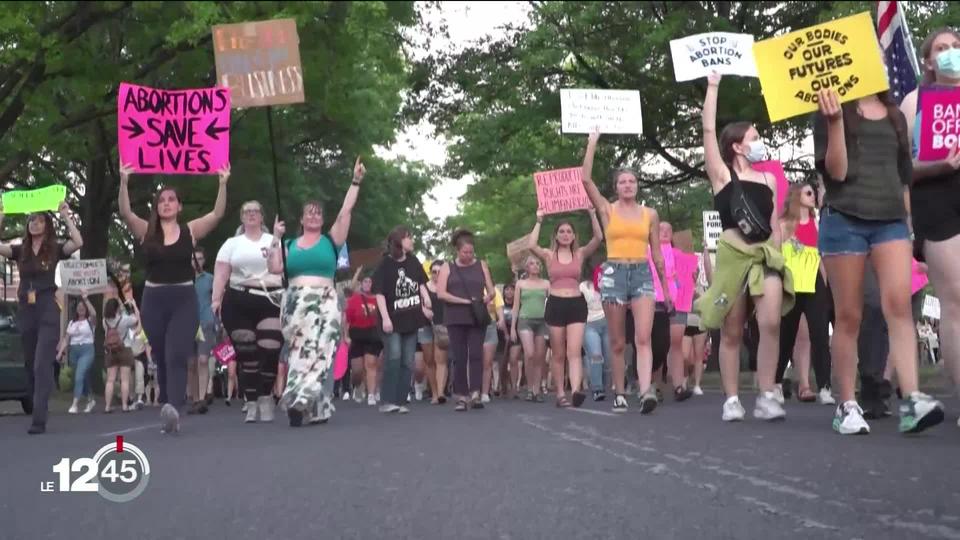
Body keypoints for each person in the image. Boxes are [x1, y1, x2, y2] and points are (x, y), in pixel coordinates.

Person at [815, 85, 943, 435]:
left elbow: (904, 179)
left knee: (899, 305)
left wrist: (911, 229)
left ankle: (913, 398)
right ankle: (846, 403)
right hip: (844, 219)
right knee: (849, 314)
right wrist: (835, 121)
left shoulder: (896, 116)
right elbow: (836, 173)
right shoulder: (828, 107)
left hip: (891, 223)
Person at [695, 72, 792, 423]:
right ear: (737, 145)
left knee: (769, 323)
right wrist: (713, 85)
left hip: (764, 257)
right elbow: (708, 131)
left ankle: (767, 394)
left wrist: (777, 255)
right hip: (733, 259)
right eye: (753, 137)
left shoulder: (768, 178)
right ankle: (732, 398)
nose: (759, 141)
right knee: (732, 330)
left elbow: (776, 221)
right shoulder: (721, 175)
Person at [118, 161, 229, 434]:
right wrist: (123, 182)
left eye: (171, 200)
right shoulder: (146, 231)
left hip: (183, 299)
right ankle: (168, 403)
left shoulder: (189, 231)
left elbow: (216, 214)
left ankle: (174, 407)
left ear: (179, 206)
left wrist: (223, 183)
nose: (166, 204)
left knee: (176, 352)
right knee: (160, 355)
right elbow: (125, 212)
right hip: (154, 300)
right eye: (162, 201)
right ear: (157, 207)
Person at [582, 130, 673, 414]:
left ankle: (646, 391)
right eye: (622, 181)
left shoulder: (651, 214)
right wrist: (592, 141)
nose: (628, 185)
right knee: (619, 340)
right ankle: (620, 391)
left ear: (638, 186)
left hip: (642, 273)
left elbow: (657, 254)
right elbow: (585, 179)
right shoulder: (607, 210)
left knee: (643, 338)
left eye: (632, 181)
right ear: (616, 187)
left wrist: (666, 290)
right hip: (614, 273)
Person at [268, 157, 364, 426]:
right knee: (299, 351)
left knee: (322, 350)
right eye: (308, 212)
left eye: (317, 213)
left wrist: (355, 181)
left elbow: (345, 211)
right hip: (295, 301)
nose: (313, 215)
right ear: (301, 218)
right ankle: (307, 403)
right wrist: (275, 237)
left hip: (324, 301)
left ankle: (302, 401)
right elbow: (275, 267)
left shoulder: (331, 241)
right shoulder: (289, 244)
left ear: (322, 219)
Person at [900, 28, 960, 429]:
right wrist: (942, 166)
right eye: (941, 48)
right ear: (927, 60)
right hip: (937, 203)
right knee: (955, 299)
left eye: (956, 47)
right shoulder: (912, 101)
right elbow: (902, 168)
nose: (951, 53)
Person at [0, 201, 83, 434]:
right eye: (31, 220)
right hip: (26, 308)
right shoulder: (21, 250)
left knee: (41, 362)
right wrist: (2, 216)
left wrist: (66, 215)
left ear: (46, 225)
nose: (34, 223)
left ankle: (39, 417)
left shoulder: (54, 248)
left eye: (39, 220)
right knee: (30, 365)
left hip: (47, 306)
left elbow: (78, 242)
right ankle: (39, 401)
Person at [211, 200, 283, 423]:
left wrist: (277, 239)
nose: (251, 214)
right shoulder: (232, 243)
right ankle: (251, 400)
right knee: (246, 353)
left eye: (256, 211)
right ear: (242, 218)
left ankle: (265, 396)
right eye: (247, 212)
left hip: (270, 298)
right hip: (238, 298)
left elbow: (282, 268)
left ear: (262, 217)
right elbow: (222, 273)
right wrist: (215, 300)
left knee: (270, 349)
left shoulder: (274, 240)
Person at [526, 208, 602, 407]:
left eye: (569, 231)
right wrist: (539, 220)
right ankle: (560, 393)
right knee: (558, 353)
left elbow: (598, 237)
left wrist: (593, 214)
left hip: (576, 304)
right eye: (562, 232)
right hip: (556, 304)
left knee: (574, 351)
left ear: (574, 235)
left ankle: (576, 390)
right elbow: (531, 244)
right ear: (556, 236)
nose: (566, 234)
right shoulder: (549, 255)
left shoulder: (580, 253)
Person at [777, 182, 834, 405]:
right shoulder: (783, 225)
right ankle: (775, 382)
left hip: (814, 283)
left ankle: (825, 386)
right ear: (796, 196)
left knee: (820, 334)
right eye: (809, 192)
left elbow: (821, 257)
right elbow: (776, 255)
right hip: (791, 284)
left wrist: (826, 284)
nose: (813, 196)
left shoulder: (818, 223)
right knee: (786, 336)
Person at [373, 226, 431, 414]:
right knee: (394, 356)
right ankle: (387, 400)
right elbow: (379, 293)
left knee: (408, 360)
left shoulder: (414, 261)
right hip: (392, 319)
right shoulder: (385, 264)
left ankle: (400, 400)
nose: (412, 241)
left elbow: (420, 282)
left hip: (411, 318)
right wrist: (386, 319)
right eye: (409, 238)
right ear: (400, 241)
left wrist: (426, 298)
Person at [437, 229, 496, 411]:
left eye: (471, 252)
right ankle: (461, 395)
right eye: (465, 253)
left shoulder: (481, 265)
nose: (468, 256)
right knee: (459, 356)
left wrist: (486, 298)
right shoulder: (448, 267)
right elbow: (441, 293)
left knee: (476, 354)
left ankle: (476, 392)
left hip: (476, 315)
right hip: (455, 316)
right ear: (457, 250)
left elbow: (492, 290)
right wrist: (463, 301)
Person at [649, 221, 696, 402]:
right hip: (655, 302)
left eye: (669, 229)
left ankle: (678, 386)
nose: (665, 232)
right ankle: (654, 385)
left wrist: (692, 274)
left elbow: (686, 277)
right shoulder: (648, 252)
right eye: (661, 229)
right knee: (659, 344)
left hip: (678, 303)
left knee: (675, 343)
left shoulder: (681, 255)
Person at [511, 256, 550, 402]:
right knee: (530, 353)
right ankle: (528, 388)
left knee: (539, 357)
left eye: (537, 263)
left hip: (542, 321)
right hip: (525, 320)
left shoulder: (546, 284)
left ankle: (536, 390)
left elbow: (552, 304)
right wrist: (513, 328)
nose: (535, 266)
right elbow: (515, 306)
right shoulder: (521, 283)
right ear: (527, 268)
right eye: (532, 264)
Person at [345, 273, 383, 405]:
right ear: (361, 283)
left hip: (373, 336)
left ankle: (371, 394)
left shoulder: (379, 299)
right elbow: (347, 319)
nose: (368, 284)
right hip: (357, 336)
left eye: (370, 282)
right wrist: (346, 336)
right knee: (357, 370)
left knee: (371, 364)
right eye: (365, 281)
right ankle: (357, 385)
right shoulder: (354, 299)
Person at [188, 246, 214, 415]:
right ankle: (196, 399)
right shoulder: (184, 280)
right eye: (193, 258)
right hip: (187, 324)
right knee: (191, 363)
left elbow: (219, 298)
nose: (196, 262)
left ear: (204, 261)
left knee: (203, 360)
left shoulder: (210, 279)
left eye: (199, 258)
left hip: (206, 322)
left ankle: (203, 399)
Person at [419, 260, 449, 404]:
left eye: (439, 272)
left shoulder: (447, 287)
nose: (436, 274)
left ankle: (441, 392)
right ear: (430, 272)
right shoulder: (423, 287)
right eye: (434, 271)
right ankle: (434, 392)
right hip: (425, 325)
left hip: (442, 326)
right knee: (429, 360)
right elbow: (415, 304)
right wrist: (423, 310)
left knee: (441, 360)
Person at [102, 298, 139, 413]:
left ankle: (107, 406)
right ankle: (124, 405)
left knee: (110, 380)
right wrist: (132, 307)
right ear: (117, 308)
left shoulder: (105, 321)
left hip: (111, 351)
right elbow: (136, 319)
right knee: (125, 380)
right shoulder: (124, 319)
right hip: (124, 348)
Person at [581, 263, 610, 401]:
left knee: (608, 359)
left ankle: (605, 386)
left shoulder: (610, 283)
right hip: (590, 324)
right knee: (596, 355)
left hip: (608, 323)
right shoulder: (584, 287)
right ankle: (597, 388)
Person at [64, 292, 97, 414]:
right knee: (80, 378)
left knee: (79, 374)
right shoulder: (72, 323)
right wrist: (60, 351)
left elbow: (94, 313)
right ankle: (90, 399)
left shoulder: (90, 321)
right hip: (74, 351)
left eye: (83, 308)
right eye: (79, 308)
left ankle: (74, 404)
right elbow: (66, 338)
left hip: (87, 350)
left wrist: (85, 299)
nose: (81, 309)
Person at [498, 283, 521, 399]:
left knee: (513, 360)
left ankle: (514, 387)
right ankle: (503, 387)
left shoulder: (519, 305)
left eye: (512, 290)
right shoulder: (501, 304)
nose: (509, 292)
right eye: (507, 289)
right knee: (502, 362)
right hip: (501, 335)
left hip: (515, 334)